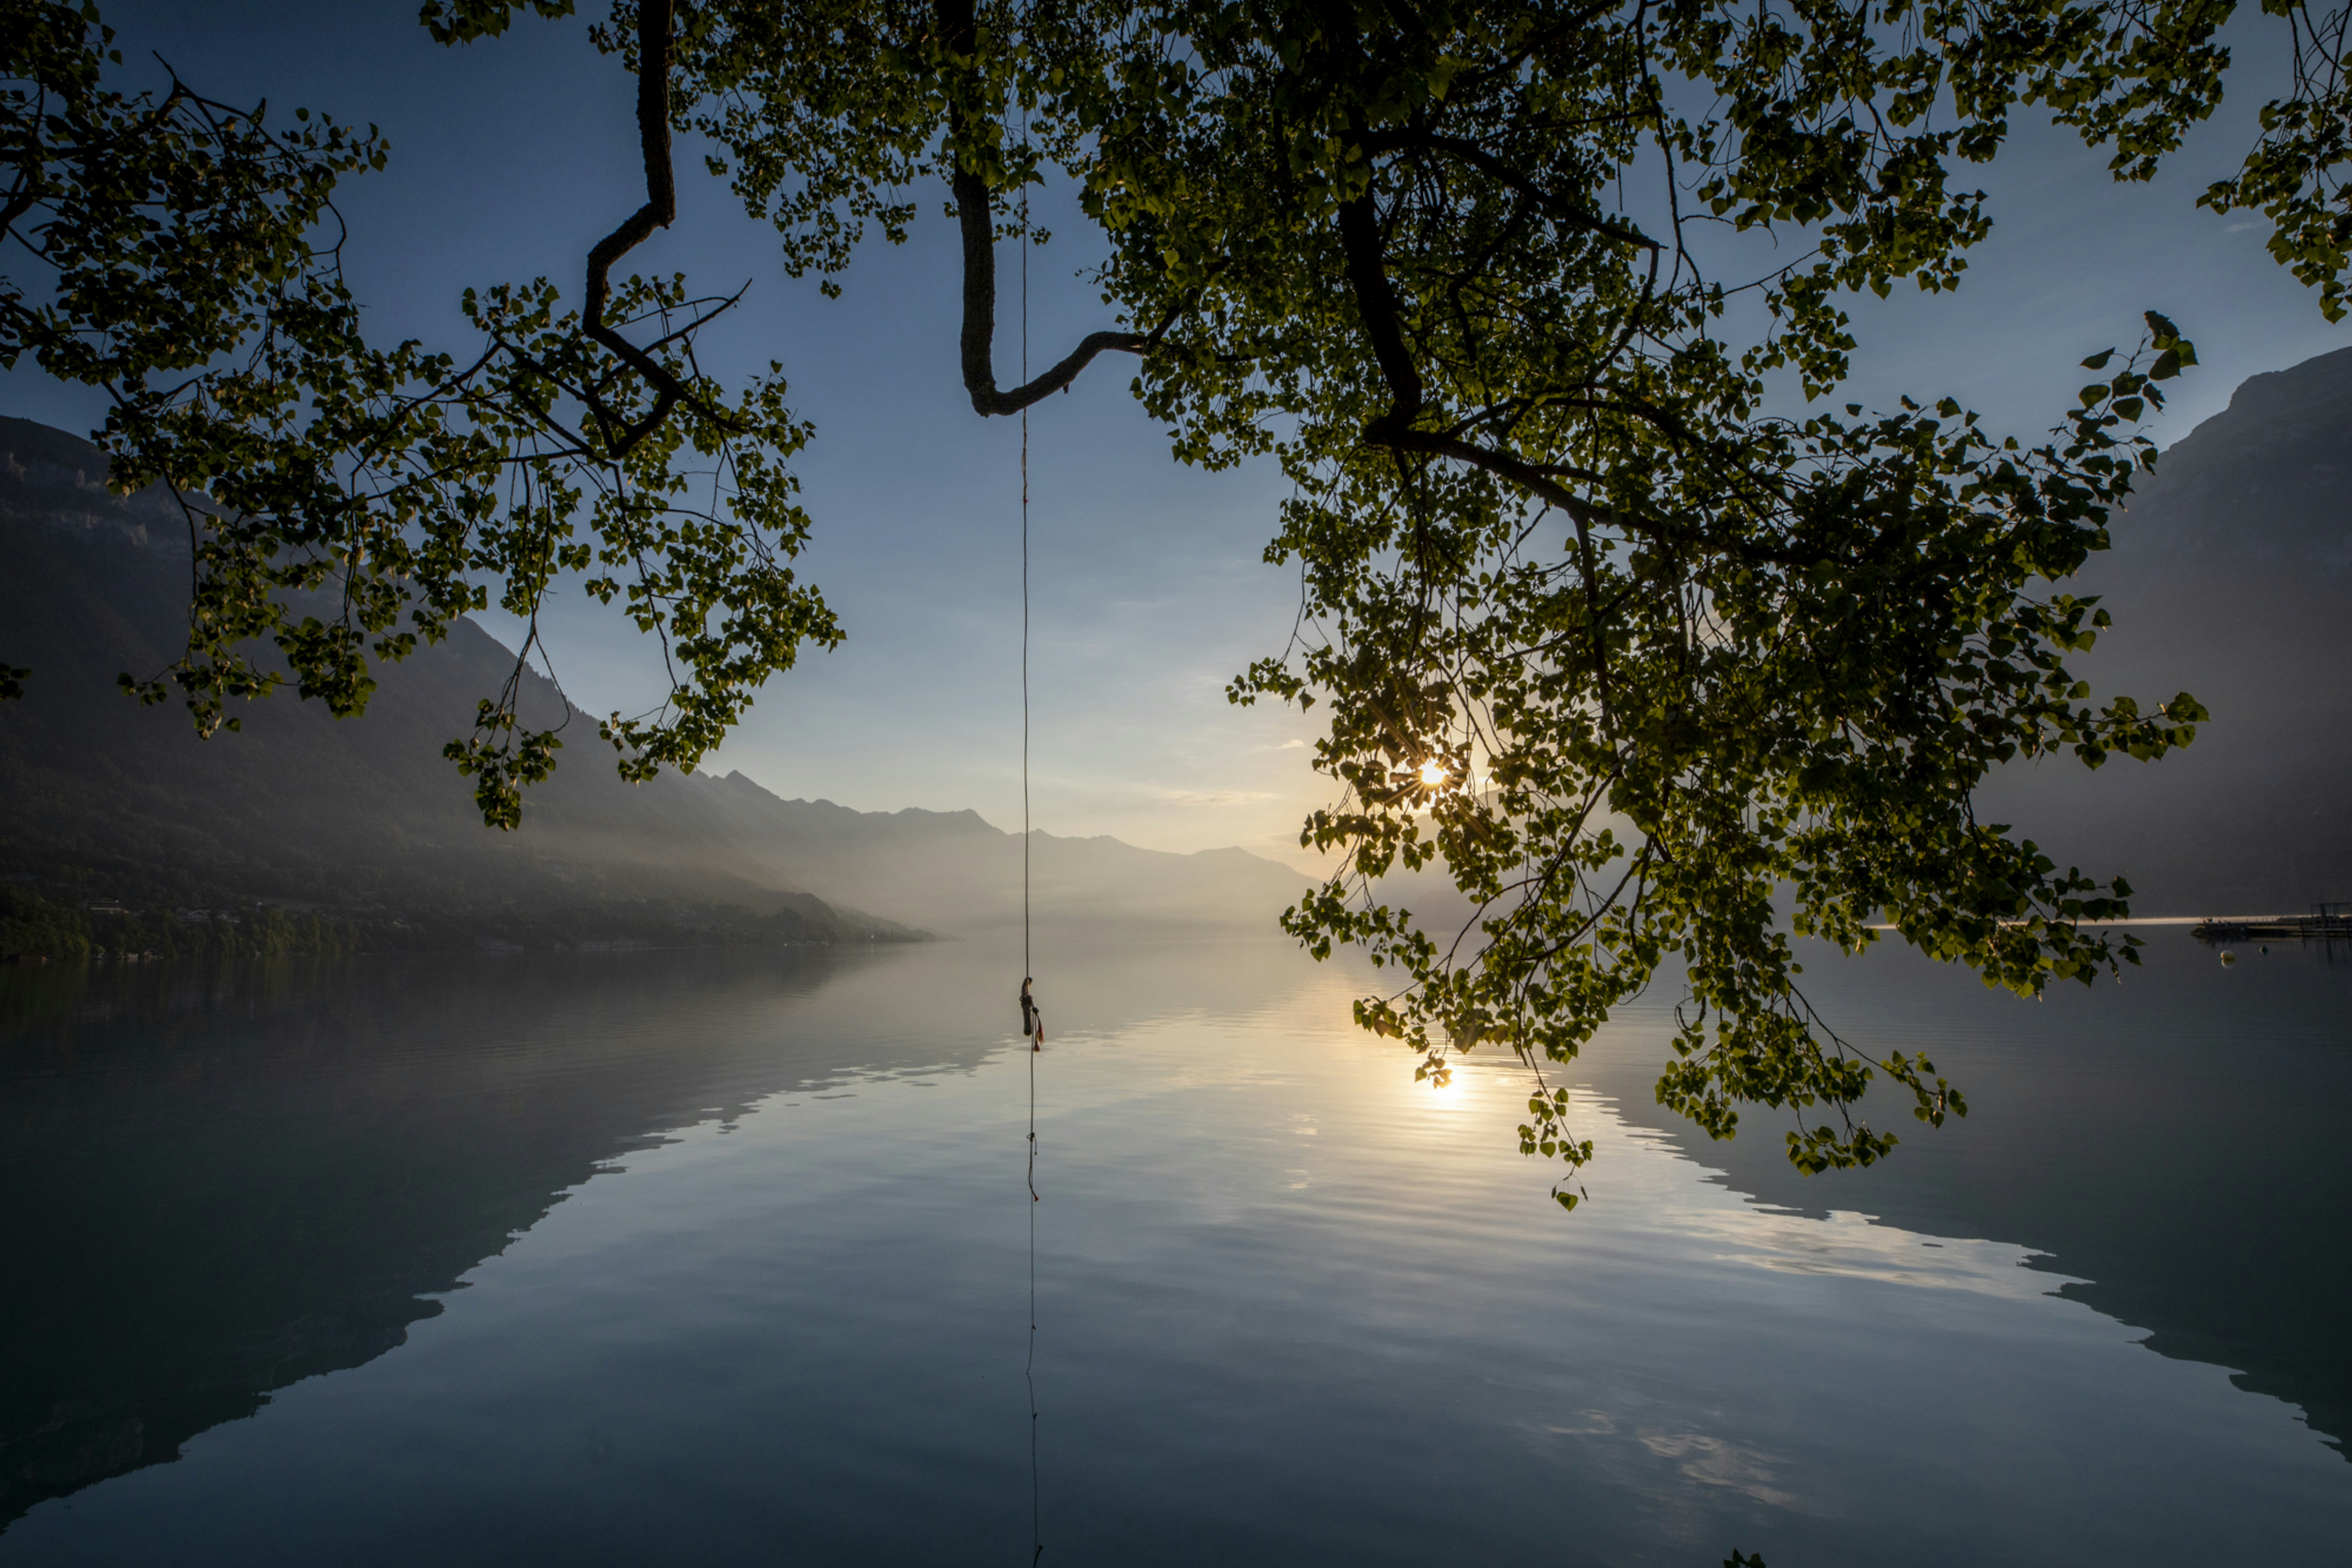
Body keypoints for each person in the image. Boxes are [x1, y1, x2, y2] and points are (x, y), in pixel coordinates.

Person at [1019, 976, 1043, 1050]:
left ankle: (1029, 1030)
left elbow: (1025, 990)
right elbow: (1025, 991)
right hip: (1027, 1004)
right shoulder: (1026, 997)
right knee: (1027, 1012)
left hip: (1027, 1004)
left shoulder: (1026, 997)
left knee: (1027, 1011)